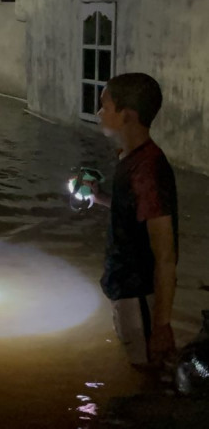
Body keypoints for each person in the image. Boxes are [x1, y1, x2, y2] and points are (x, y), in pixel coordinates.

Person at [89, 72, 178, 368]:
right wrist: (100, 197)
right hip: (125, 289)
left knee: (145, 373)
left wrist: (162, 325)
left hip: (138, 294)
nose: (99, 112)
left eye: (105, 106)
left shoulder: (147, 170)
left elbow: (165, 255)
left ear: (126, 115)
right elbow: (136, 213)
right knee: (137, 364)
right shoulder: (130, 159)